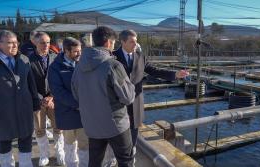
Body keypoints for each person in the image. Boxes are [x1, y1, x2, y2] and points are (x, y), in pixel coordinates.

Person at [113, 29, 189, 159]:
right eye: (132, 42)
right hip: (118, 105)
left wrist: (175, 74)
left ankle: (131, 159)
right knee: (117, 138)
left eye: (136, 42)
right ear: (122, 42)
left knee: (133, 137)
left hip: (136, 102)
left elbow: (154, 70)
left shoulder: (140, 56)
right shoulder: (112, 56)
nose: (135, 44)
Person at [71, 26, 135, 167]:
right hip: (115, 124)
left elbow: (76, 94)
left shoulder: (79, 66)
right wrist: (131, 84)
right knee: (126, 160)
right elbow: (128, 97)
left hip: (92, 124)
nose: (113, 46)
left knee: (94, 162)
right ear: (108, 43)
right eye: (113, 43)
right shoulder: (113, 65)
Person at [0, 30, 40, 167]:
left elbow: (31, 85)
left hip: (24, 109)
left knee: (26, 141)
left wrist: (36, 105)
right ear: (0, 44)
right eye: (10, 43)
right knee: (4, 144)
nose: (15, 45)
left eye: (16, 42)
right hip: (3, 113)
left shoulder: (24, 60)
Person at [48, 37, 88, 167]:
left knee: (85, 143)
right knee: (70, 143)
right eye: (76, 51)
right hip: (67, 112)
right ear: (66, 50)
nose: (79, 53)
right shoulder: (55, 67)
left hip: (83, 113)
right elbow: (58, 92)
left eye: (80, 50)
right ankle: (72, 164)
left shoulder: (83, 63)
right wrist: (78, 104)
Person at [29, 31, 65, 166]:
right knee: (39, 129)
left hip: (54, 100)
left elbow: (61, 79)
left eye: (48, 42)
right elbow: (28, 82)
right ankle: (44, 155)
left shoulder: (56, 57)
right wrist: (40, 98)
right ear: (35, 43)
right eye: (42, 42)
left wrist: (52, 96)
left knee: (58, 127)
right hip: (37, 101)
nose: (46, 45)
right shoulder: (27, 60)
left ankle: (60, 152)